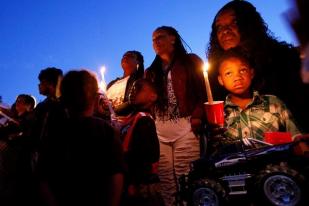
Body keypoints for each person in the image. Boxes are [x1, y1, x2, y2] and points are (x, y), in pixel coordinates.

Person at [207, 0, 309, 133]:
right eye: (219, 27)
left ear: (249, 26)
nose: (225, 31)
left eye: (234, 23)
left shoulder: (282, 60)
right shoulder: (215, 76)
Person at [37, 69, 125, 206]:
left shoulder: (55, 132)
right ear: (95, 98)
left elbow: (43, 177)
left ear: (64, 98)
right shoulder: (106, 131)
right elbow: (116, 175)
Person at [145, 26, 206, 206]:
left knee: (186, 176)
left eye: (160, 37)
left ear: (173, 38)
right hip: (161, 133)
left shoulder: (191, 61)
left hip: (186, 127)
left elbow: (203, 91)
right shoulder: (151, 71)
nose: (155, 42)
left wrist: (197, 116)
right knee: (166, 183)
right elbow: (147, 103)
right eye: (153, 39)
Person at [216, 47, 301, 141]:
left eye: (242, 70)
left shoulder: (273, 103)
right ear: (221, 80)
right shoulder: (219, 114)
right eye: (228, 73)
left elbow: (296, 137)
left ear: (251, 73)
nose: (237, 77)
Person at [117, 79, 164, 206]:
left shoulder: (145, 120)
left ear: (153, 96)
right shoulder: (131, 117)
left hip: (140, 184)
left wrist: (134, 182)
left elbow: (148, 155)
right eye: (132, 88)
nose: (133, 90)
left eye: (138, 88)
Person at [102, 50, 144, 118]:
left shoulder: (140, 80)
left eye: (130, 56)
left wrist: (112, 112)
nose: (125, 57)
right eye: (124, 56)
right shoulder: (111, 84)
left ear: (138, 62)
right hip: (106, 119)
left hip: (126, 121)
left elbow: (134, 102)